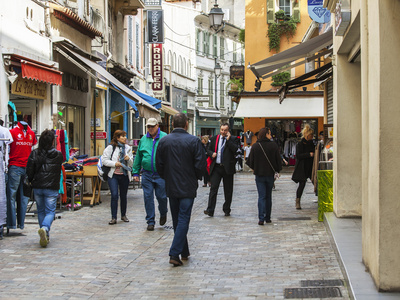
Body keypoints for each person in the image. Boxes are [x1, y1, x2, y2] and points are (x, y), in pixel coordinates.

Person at [156, 113, 206, 266]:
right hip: (187, 186)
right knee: (183, 219)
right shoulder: (193, 141)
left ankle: (184, 251)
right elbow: (200, 164)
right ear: (186, 124)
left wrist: (167, 177)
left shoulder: (164, 141)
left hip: (171, 186)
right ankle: (174, 252)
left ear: (172, 124)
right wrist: (196, 177)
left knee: (178, 220)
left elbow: (159, 164)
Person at [26, 129, 63, 247]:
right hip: (51, 186)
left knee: (41, 211)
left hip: (37, 186)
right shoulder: (58, 154)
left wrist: (30, 181)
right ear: (53, 141)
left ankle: (45, 235)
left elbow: (29, 171)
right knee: (50, 211)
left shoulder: (34, 153)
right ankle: (45, 228)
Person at [132, 118, 168, 231]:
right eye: (148, 127)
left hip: (161, 174)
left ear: (157, 125)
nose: (150, 129)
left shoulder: (165, 137)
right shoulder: (143, 139)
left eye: (152, 126)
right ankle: (150, 221)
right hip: (147, 174)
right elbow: (138, 156)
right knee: (148, 197)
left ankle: (163, 213)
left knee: (161, 197)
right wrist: (135, 172)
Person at [246, 127, 282, 225]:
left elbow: (249, 162)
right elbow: (278, 161)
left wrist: (255, 168)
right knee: (268, 196)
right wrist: (277, 170)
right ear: (266, 134)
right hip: (270, 175)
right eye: (269, 134)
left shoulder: (255, 146)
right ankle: (268, 217)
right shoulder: (273, 146)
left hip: (259, 175)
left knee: (261, 196)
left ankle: (261, 218)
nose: (271, 136)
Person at [7, 121, 37, 231]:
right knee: (11, 195)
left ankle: (21, 224)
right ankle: (11, 223)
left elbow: (33, 146)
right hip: (14, 166)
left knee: (24, 196)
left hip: (27, 167)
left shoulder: (31, 133)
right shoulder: (12, 132)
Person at [204, 123, 238, 217]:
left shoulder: (233, 139)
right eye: (222, 130)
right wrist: (211, 154)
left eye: (225, 130)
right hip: (217, 167)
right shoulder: (214, 138)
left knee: (228, 190)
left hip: (227, 168)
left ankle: (227, 209)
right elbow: (208, 149)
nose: (223, 132)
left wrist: (228, 140)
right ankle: (210, 210)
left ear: (228, 131)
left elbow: (235, 149)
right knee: (213, 189)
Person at [102, 130, 133, 225]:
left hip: (124, 175)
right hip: (113, 175)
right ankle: (113, 217)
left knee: (124, 195)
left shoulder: (128, 148)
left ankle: (123, 215)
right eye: (122, 136)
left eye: (125, 136)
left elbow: (132, 163)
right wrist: (114, 164)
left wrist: (129, 159)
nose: (125, 138)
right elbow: (104, 160)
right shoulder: (110, 148)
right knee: (114, 195)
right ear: (117, 138)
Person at [291, 124, 315, 209]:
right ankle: (298, 201)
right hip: (302, 167)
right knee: (302, 184)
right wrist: (308, 154)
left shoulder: (312, 143)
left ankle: (321, 198)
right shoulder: (300, 144)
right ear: (306, 135)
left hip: (311, 166)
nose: (312, 137)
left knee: (316, 182)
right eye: (310, 135)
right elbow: (298, 155)